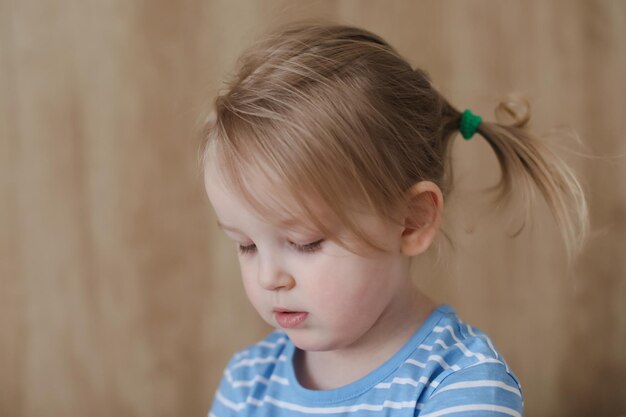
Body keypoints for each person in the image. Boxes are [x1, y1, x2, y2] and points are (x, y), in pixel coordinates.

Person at [200, 19, 588, 417]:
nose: (269, 278)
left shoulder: (460, 386)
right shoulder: (248, 382)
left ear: (412, 222)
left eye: (305, 242)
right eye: (245, 245)